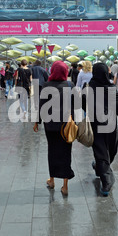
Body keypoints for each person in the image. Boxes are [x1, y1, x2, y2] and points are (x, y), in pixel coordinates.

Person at [82, 62, 118, 196]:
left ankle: (99, 167)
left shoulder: (110, 88)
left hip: (107, 125)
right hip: (101, 125)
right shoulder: (92, 88)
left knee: (111, 151)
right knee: (102, 154)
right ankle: (106, 182)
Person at [33, 61, 80, 196]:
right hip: (66, 126)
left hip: (50, 126)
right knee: (66, 152)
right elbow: (77, 105)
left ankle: (52, 180)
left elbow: (41, 105)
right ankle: (65, 186)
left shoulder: (46, 86)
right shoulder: (70, 85)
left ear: (52, 71)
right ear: (65, 71)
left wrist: (37, 122)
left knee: (52, 151)